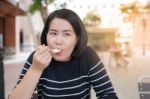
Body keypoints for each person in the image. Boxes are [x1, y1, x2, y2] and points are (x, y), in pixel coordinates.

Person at [9, 9, 118, 99]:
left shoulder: (87, 56)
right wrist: (36, 68)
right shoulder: (37, 57)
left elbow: (107, 94)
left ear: (77, 39)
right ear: (46, 36)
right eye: (53, 33)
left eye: (66, 34)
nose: (58, 41)